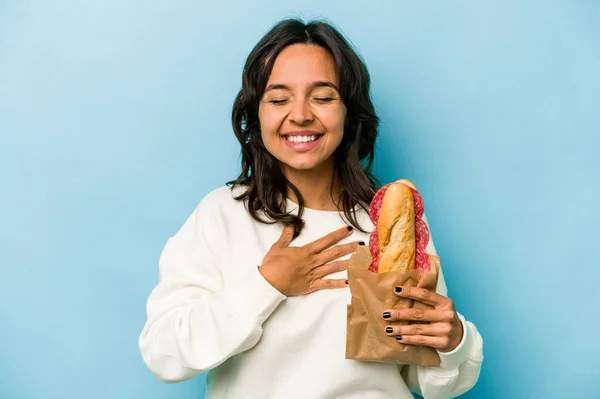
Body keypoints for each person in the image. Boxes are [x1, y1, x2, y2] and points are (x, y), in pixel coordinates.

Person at [138, 18, 483, 399]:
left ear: (349, 112)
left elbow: (430, 381)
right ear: (256, 115)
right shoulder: (222, 214)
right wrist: (266, 284)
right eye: (279, 98)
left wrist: (454, 341)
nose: (300, 114)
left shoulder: (389, 220)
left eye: (322, 97)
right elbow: (165, 354)